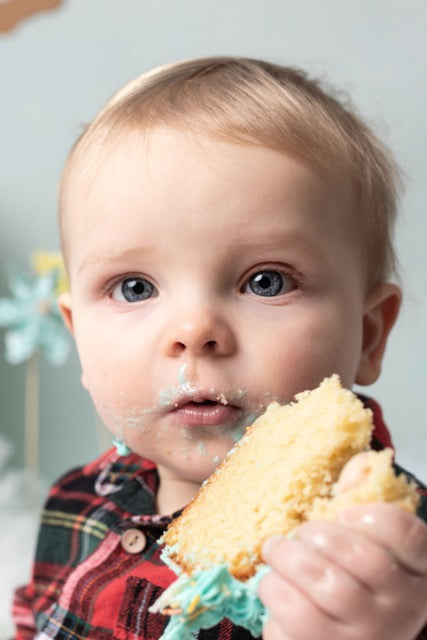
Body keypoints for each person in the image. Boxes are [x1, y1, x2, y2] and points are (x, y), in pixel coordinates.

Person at [12, 57, 427, 640]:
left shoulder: (389, 553)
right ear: (78, 335)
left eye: (266, 281)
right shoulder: (75, 501)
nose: (194, 329)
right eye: (135, 288)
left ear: (370, 334)